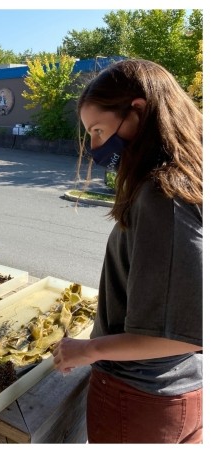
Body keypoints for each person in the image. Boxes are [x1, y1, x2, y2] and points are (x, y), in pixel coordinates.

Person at [53, 59, 202, 443]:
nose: (98, 148)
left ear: (138, 109)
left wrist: (85, 351)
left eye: (99, 131)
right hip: (170, 394)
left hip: (139, 401)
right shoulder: (188, 180)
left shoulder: (163, 195)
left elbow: (185, 335)